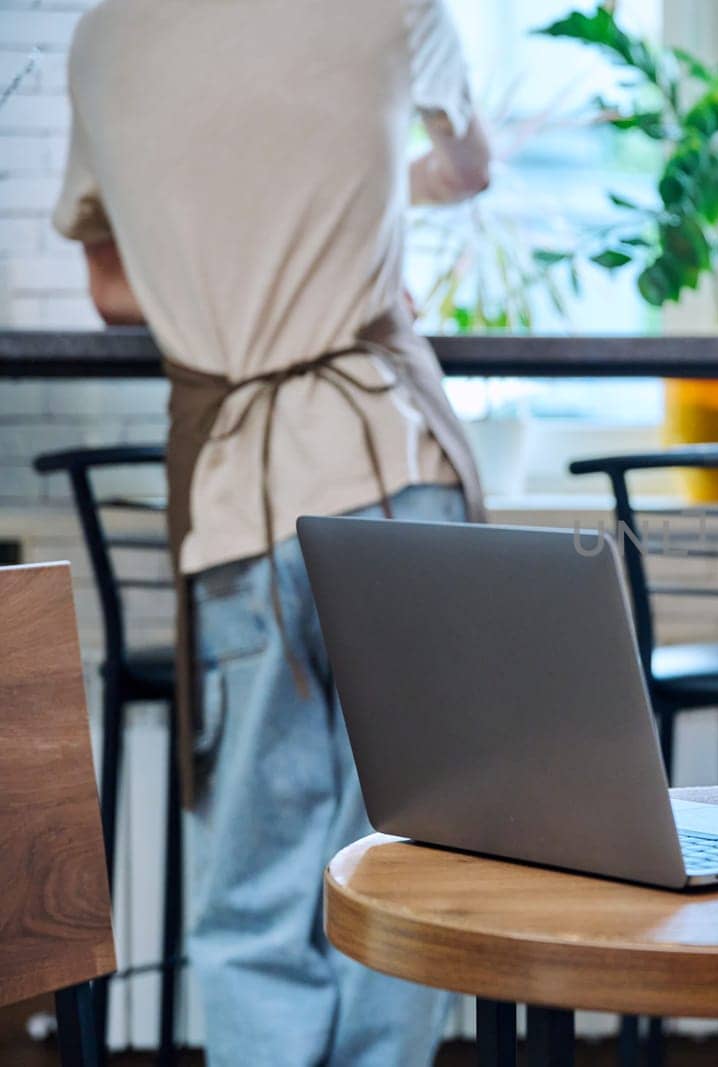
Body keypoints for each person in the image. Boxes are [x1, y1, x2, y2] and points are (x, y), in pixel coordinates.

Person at [53, 2, 492, 1063]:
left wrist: (225, 266)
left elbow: (112, 285)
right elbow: (467, 168)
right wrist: (363, 206)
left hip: (239, 499)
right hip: (393, 476)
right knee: (412, 855)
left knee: (252, 881)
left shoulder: (104, 36)